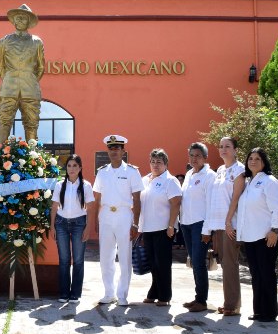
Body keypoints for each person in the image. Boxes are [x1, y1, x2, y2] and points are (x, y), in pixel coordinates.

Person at [93, 134, 143, 307]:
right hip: (105, 215)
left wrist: (136, 223)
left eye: (117, 148)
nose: (113, 151)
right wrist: (95, 221)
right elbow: (97, 198)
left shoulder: (131, 171)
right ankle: (109, 292)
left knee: (124, 256)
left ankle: (122, 295)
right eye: (111, 148)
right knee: (105, 257)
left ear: (123, 151)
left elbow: (137, 200)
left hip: (124, 215)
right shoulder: (102, 172)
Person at [237, 148, 278, 323]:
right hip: (250, 236)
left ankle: (270, 312)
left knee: (266, 274)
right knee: (256, 274)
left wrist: (275, 231)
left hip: (266, 236)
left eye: (257, 158)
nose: (253, 161)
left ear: (264, 162)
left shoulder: (269, 182)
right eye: (250, 158)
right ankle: (259, 311)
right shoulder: (249, 182)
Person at [201, 136, 245, 317]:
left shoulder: (240, 170)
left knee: (230, 263)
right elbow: (214, 200)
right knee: (224, 264)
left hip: (231, 224)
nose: (223, 149)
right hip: (219, 224)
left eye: (227, 146)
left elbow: (235, 198)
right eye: (220, 146)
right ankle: (229, 302)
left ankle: (233, 305)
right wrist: (209, 227)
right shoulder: (219, 170)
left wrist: (228, 222)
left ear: (235, 150)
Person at [0, 4, 45, 143]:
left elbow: (40, 67)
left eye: (23, 18)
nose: (20, 21)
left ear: (29, 21)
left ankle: (34, 156)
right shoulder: (4, 41)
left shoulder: (37, 42)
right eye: (17, 18)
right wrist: (10, 78)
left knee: (32, 121)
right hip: (8, 87)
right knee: (4, 119)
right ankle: (1, 154)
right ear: (13, 21)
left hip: (30, 87)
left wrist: (29, 78)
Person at [139, 149, 182, 306]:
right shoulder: (145, 180)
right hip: (148, 228)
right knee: (152, 262)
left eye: (159, 162)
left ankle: (164, 295)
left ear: (165, 164)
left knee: (162, 263)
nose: (155, 165)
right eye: (153, 161)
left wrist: (171, 225)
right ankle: (154, 290)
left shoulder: (170, 181)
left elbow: (176, 203)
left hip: (164, 228)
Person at [50, 154, 95, 303]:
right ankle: (64, 293)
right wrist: (52, 227)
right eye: (69, 165)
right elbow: (54, 207)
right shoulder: (59, 185)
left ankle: (75, 293)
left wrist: (88, 227)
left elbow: (91, 208)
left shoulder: (86, 186)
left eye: (75, 165)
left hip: (79, 224)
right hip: (61, 224)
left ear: (80, 168)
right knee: (63, 260)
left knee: (78, 260)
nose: (72, 168)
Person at [179, 142, 217, 313]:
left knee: (199, 262)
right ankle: (197, 297)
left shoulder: (209, 176)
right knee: (194, 261)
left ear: (205, 158)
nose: (194, 159)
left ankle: (202, 300)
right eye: (192, 155)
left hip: (200, 224)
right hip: (186, 223)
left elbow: (211, 203)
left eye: (198, 156)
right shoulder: (189, 174)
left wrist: (207, 230)